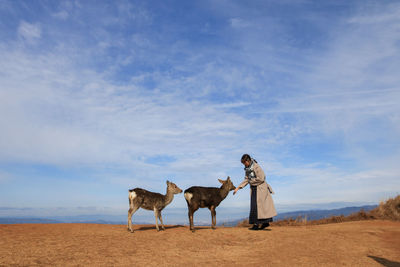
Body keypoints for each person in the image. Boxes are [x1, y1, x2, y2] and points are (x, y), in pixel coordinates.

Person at [233, 154, 277, 230]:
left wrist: (251, 181)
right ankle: (265, 223)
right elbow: (246, 179)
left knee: (258, 207)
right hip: (254, 189)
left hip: (260, 189)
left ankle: (256, 225)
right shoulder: (247, 169)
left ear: (248, 161)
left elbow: (261, 178)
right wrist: (238, 188)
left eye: (244, 163)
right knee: (256, 206)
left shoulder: (257, 167)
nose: (244, 164)